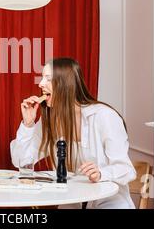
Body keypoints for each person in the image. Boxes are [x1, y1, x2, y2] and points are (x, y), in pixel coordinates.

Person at [10, 58, 136, 209]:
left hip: (109, 202)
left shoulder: (104, 116)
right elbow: (21, 160)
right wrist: (28, 124)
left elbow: (127, 170)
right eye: (42, 78)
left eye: (48, 79)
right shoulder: (49, 120)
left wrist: (101, 173)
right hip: (70, 203)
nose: (40, 84)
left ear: (66, 84)